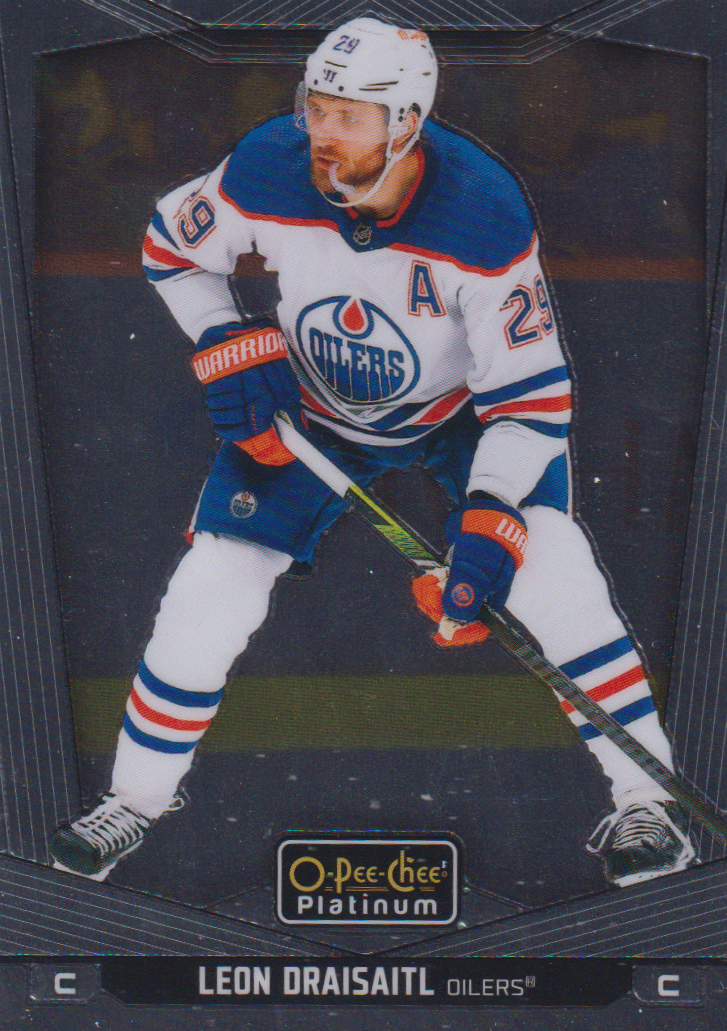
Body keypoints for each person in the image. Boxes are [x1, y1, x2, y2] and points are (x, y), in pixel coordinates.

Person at [49, 17, 695, 887]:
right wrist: (220, 337)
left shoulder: (483, 211)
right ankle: (132, 800)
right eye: (316, 107)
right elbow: (171, 245)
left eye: (348, 117)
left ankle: (648, 803)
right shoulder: (266, 165)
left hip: (465, 416)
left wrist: (489, 514)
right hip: (309, 414)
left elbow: (530, 398)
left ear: (407, 123)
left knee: (555, 568)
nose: (322, 131)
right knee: (210, 589)